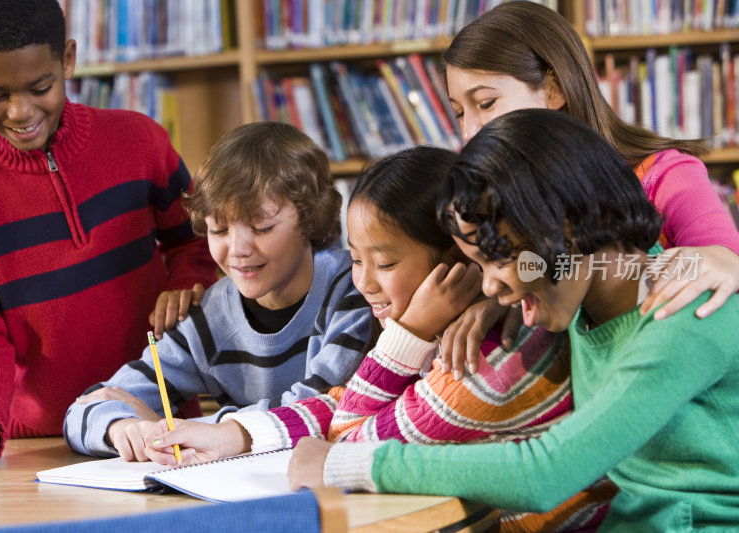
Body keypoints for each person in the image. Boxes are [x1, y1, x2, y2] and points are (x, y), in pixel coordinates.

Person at [287, 109, 739, 532]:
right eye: (479, 265)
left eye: (497, 258)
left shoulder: (683, 314)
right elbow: (598, 263)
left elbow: (544, 473)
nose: (487, 285)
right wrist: (503, 295)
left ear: (570, 225)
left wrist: (345, 464)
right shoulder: (596, 282)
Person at [144, 146, 617, 532]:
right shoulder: (452, 332)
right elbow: (348, 402)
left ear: (457, 261)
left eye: (385, 263)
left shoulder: (483, 361)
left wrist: (406, 335)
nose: (364, 282)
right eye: (355, 259)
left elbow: (348, 437)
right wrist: (235, 435)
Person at [0, 0, 218, 470]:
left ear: (67, 60)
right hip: (42, 443)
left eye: (40, 87)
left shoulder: (140, 141)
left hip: (156, 420)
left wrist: (184, 284)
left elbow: (195, 240)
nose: (21, 110)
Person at [437, 1, 739, 377]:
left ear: (554, 89)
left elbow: (721, 268)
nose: (468, 133)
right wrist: (511, 294)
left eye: (485, 103)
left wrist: (724, 258)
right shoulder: (499, 200)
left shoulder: (664, 176)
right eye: (459, 113)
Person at [63, 121, 371, 461]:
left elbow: (323, 410)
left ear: (309, 219)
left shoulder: (356, 289)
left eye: (262, 227)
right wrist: (123, 428)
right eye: (218, 229)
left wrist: (186, 426)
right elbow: (84, 410)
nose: (237, 249)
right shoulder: (208, 317)